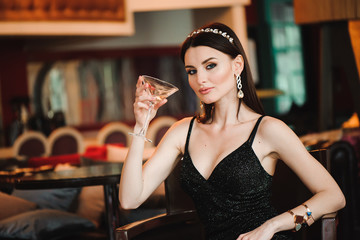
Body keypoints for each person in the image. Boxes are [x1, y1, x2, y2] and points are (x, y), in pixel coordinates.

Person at [119, 22, 345, 240]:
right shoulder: (182, 132)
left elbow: (334, 196)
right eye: (191, 71)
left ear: (237, 65)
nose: (201, 79)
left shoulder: (268, 130)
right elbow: (129, 200)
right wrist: (141, 125)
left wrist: (273, 225)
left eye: (210, 66)